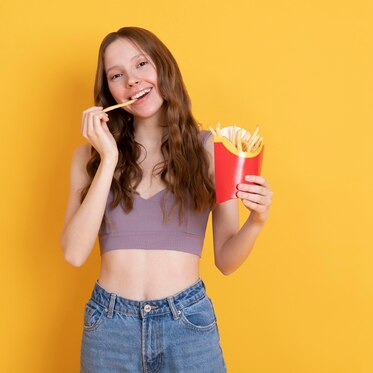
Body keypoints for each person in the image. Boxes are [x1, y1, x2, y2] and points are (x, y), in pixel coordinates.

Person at [60, 26, 272, 372]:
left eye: (141, 64)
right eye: (117, 75)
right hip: (109, 327)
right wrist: (109, 159)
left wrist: (257, 220)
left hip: (187, 325)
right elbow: (73, 252)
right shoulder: (89, 159)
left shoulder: (209, 152)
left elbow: (227, 261)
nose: (131, 81)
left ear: (163, 67)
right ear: (108, 91)